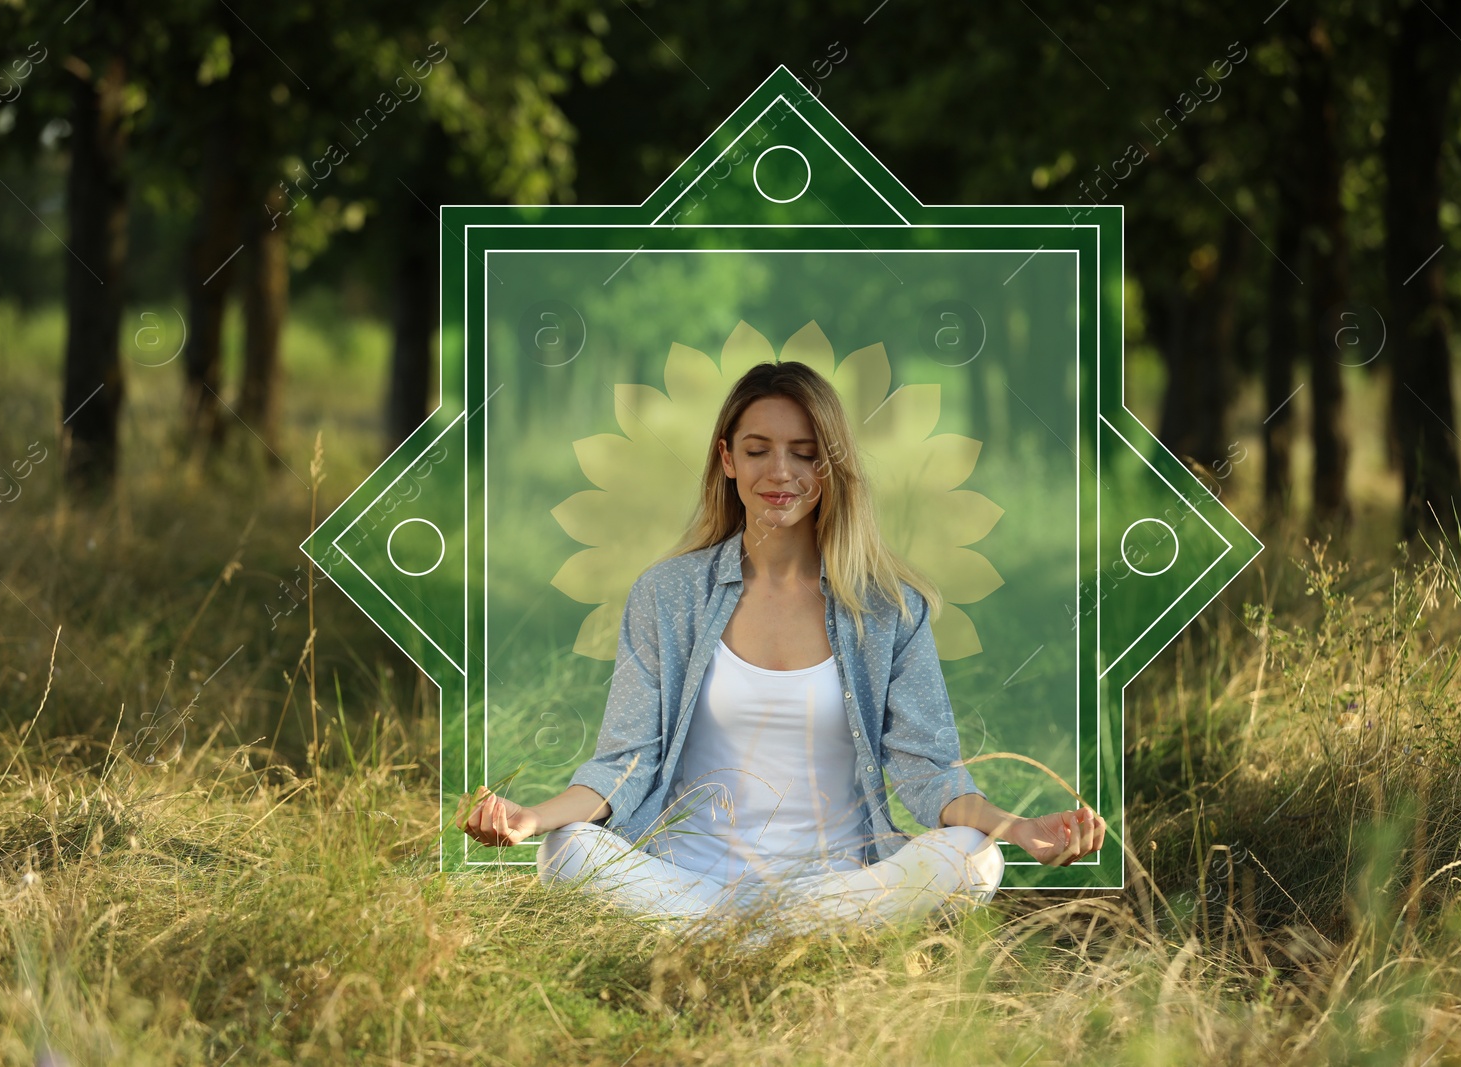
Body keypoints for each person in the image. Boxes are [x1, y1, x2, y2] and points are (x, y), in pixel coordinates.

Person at [461, 359, 1106, 939]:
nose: (782, 473)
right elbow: (624, 763)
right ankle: (760, 936)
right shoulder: (668, 594)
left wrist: (1018, 831)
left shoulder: (888, 608)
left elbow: (929, 772)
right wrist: (531, 819)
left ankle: (761, 932)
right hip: (688, 879)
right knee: (565, 852)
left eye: (804, 453)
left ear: (830, 466)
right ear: (726, 459)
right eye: (759, 449)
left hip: (834, 883)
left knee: (974, 857)